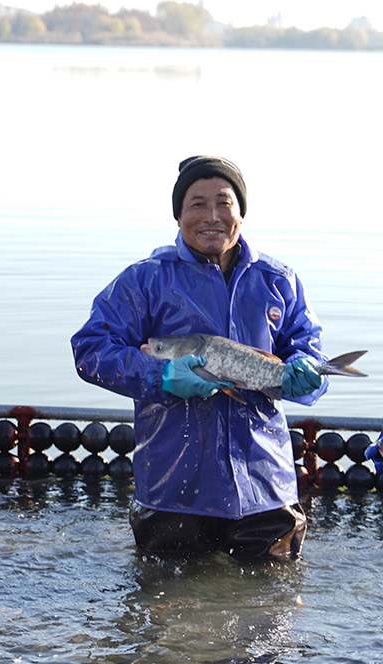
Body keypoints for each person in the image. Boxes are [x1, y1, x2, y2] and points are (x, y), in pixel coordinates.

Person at [71, 156, 328, 561]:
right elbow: (90, 350)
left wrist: (308, 374)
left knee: (270, 614)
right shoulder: (146, 279)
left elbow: (308, 351)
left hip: (265, 488)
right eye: (197, 204)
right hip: (173, 490)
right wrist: (161, 376)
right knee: (167, 611)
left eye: (224, 203)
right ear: (178, 216)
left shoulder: (278, 281)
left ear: (241, 212)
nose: (212, 216)